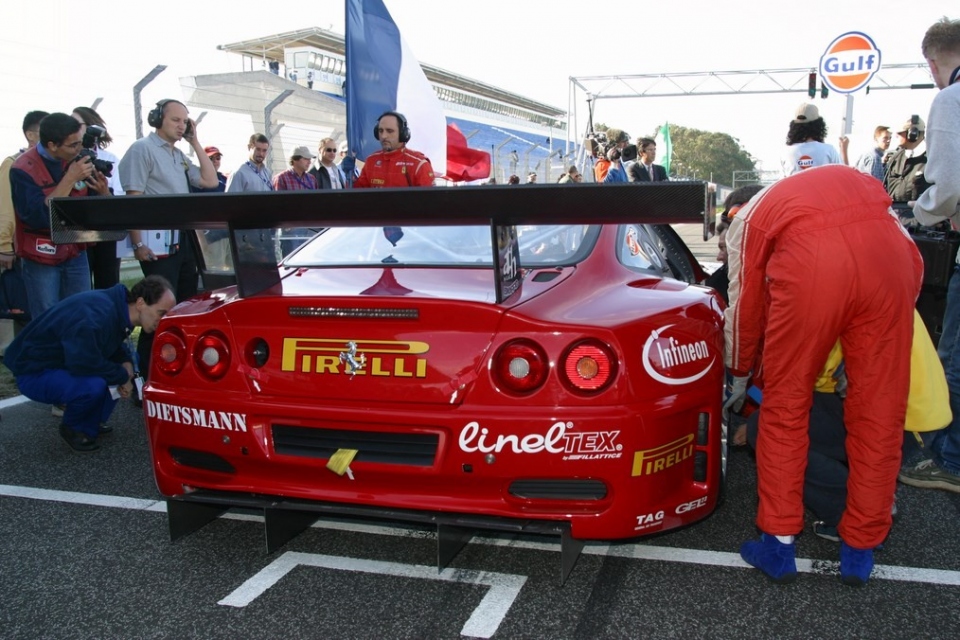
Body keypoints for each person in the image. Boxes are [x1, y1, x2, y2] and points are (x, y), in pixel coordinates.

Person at [725, 165, 922, 586]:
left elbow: (743, 307)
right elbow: (912, 259)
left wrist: (739, 370)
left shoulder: (750, 217)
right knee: (879, 416)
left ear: (734, 210)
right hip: (889, 266)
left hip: (815, 267)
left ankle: (777, 547)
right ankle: (860, 551)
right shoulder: (854, 182)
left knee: (784, 409)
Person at [3, 275, 176, 452]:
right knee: (93, 385)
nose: (162, 321)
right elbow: (82, 362)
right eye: (161, 313)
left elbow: (109, 346)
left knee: (129, 363)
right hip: (34, 371)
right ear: (140, 303)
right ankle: (74, 428)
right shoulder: (96, 314)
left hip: (62, 363)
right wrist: (123, 375)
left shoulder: (117, 309)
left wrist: (127, 363)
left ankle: (92, 421)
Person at [118, 98, 218, 387]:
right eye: (175, 120)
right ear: (157, 119)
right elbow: (132, 200)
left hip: (183, 240)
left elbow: (209, 182)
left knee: (184, 309)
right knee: (156, 310)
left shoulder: (178, 156)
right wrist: (137, 244)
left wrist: (194, 142)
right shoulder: (142, 150)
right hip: (156, 245)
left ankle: (177, 372)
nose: (181, 125)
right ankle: (145, 378)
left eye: (184, 121)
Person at [900, 17, 960, 494]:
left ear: (934, 60)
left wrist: (920, 214)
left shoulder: (951, 97)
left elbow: (948, 185)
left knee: (953, 355)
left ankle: (948, 461)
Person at [10, 113, 110, 320]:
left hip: (75, 252)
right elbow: (35, 216)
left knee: (81, 313)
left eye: (79, 143)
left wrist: (103, 193)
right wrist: (70, 178)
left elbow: (95, 208)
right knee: (48, 318)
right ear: (52, 145)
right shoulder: (22, 169)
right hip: (41, 256)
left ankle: (77, 352)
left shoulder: (78, 160)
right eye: (72, 145)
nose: (78, 149)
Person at [0, 110, 47, 352]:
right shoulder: (13, 163)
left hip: (41, 247)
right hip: (19, 247)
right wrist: (4, 246)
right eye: (44, 132)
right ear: (30, 134)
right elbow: (6, 207)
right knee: (18, 303)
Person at [72, 106, 124, 289]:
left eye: (77, 124)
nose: (73, 129)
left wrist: (104, 192)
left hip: (106, 232)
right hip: (77, 232)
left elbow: (120, 197)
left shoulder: (109, 159)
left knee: (108, 284)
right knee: (80, 288)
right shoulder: (67, 158)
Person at [353, 111, 435, 188]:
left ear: (403, 134)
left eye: (390, 131)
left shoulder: (419, 164)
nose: (384, 136)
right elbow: (357, 196)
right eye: (381, 131)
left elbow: (430, 200)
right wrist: (349, 177)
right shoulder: (371, 161)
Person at [274, 146, 319, 254]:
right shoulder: (281, 178)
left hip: (309, 228)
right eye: (305, 159)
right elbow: (277, 205)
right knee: (291, 262)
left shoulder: (312, 179)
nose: (309, 161)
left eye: (309, 159)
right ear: (295, 159)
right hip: (291, 229)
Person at [779, 103, 845, 177]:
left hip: (794, 188)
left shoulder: (786, 153)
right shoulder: (829, 150)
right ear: (819, 125)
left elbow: (781, 183)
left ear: (794, 127)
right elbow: (842, 176)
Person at [883, 116, 929, 210]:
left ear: (912, 134)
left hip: (920, 221)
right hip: (895, 219)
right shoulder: (895, 158)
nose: (895, 136)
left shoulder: (931, 160)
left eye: (899, 133)